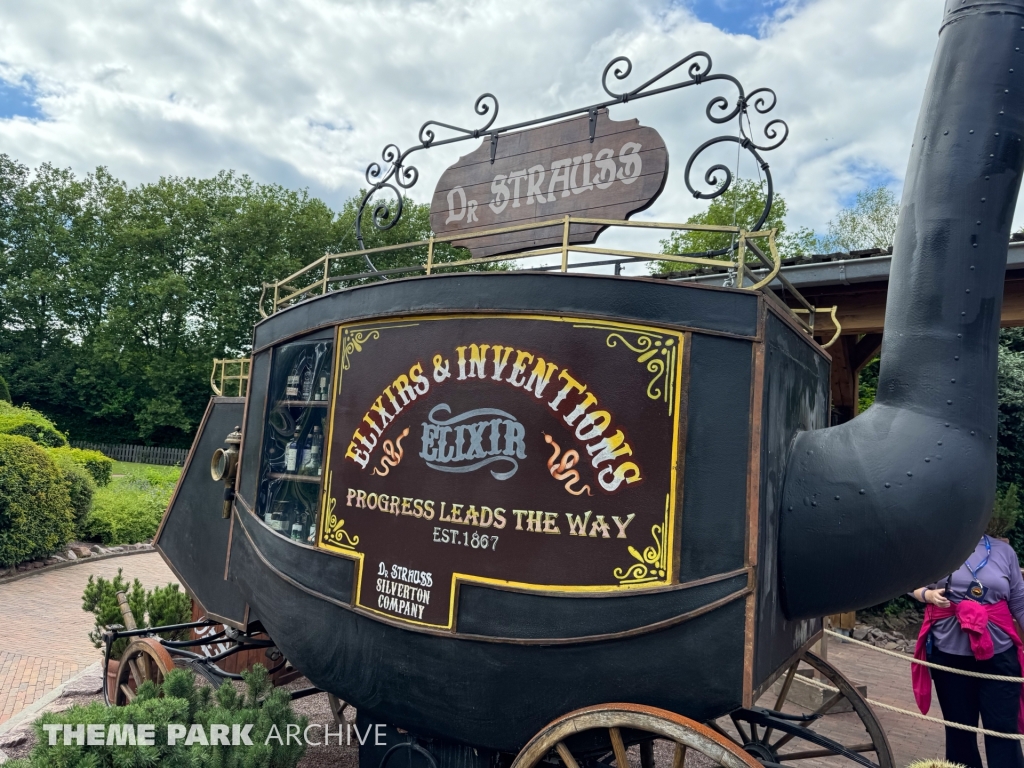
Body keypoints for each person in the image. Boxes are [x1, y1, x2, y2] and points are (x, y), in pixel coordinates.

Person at [912, 534, 1024, 767]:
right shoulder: (938, 546)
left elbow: (1019, 602)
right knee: (959, 731)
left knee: (1003, 730)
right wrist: (928, 595)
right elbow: (911, 583)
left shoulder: (1004, 552)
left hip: (999, 655)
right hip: (948, 655)